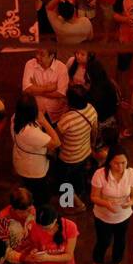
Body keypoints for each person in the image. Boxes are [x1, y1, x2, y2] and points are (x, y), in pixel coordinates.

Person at [91, 146, 133, 264]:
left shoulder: (131, 173)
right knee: (103, 241)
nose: (120, 167)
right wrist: (106, 204)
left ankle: (117, 261)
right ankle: (97, 261)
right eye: (116, 163)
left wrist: (130, 202)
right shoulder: (100, 174)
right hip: (103, 215)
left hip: (123, 215)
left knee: (121, 241)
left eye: (123, 163)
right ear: (109, 162)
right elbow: (94, 197)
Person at [54, 85, 98, 213]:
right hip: (85, 153)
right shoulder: (91, 109)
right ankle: (80, 193)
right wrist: (91, 146)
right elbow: (94, 131)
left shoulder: (67, 119)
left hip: (68, 157)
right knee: (79, 176)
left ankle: (67, 204)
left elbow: (57, 138)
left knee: (64, 181)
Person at [12, 94, 62, 206]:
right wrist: (44, 121)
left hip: (21, 161)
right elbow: (56, 142)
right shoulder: (30, 132)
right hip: (34, 169)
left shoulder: (15, 118)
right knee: (39, 195)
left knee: (27, 185)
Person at [21, 48, 70, 123]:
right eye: (37, 53)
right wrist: (48, 88)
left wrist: (35, 88)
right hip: (36, 110)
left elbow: (61, 94)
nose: (37, 56)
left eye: (42, 55)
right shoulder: (30, 64)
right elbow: (26, 89)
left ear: (52, 56)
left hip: (56, 113)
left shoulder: (61, 67)